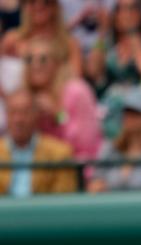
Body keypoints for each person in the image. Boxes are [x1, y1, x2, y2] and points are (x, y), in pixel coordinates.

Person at [86, 0, 141, 139]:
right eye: (121, 9)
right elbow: (93, 72)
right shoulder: (108, 47)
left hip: (139, 106)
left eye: (132, 9)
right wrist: (103, 32)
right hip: (109, 107)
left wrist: (132, 32)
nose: (127, 14)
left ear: (140, 14)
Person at [22, 35, 101, 163]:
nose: (35, 65)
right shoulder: (26, 97)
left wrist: (57, 115)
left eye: (43, 59)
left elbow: (85, 142)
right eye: (29, 59)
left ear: (57, 64)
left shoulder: (77, 91)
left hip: (77, 168)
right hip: (38, 171)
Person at [0, 89, 77, 196]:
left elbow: (63, 205)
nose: (18, 119)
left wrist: (58, 114)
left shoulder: (60, 154)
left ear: (36, 115)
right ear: (6, 116)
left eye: (25, 113)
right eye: (13, 112)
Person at [1, 0, 83, 76]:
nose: (39, 5)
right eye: (32, 1)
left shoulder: (69, 43)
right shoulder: (11, 40)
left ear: (55, 7)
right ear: (25, 6)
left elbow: (75, 80)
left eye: (46, 1)